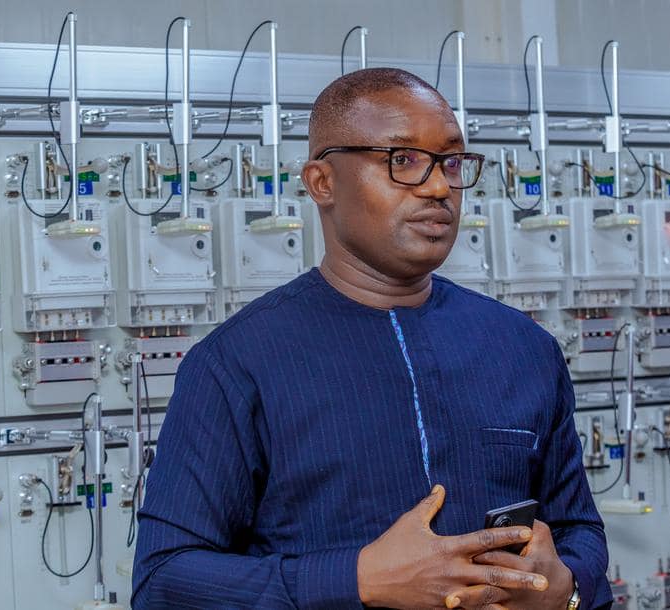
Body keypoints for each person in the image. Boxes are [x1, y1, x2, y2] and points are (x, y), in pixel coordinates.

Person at [133, 67, 613, 610]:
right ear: (322, 182)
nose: (438, 187)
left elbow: (578, 530)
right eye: (401, 160)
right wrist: (359, 579)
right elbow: (164, 581)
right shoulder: (237, 365)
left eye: (451, 163)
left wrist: (566, 589)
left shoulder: (523, 348)